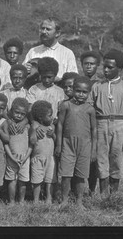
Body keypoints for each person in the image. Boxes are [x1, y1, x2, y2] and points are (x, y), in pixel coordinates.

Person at [88, 49, 123, 196]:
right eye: (104, 66)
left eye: (110, 67)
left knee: (117, 159)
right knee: (101, 159)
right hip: (101, 125)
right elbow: (90, 109)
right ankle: (103, 195)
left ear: (120, 69)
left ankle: (113, 195)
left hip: (120, 126)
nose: (106, 70)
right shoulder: (97, 86)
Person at [55, 76, 97, 206]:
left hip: (85, 145)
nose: (81, 94)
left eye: (85, 92)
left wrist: (93, 149)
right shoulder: (66, 105)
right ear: (73, 90)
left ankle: (79, 201)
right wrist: (59, 144)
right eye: (78, 91)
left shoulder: (90, 109)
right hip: (68, 144)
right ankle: (64, 200)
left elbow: (94, 129)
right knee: (66, 174)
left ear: (89, 93)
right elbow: (60, 125)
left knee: (80, 175)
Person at [23, 17, 78, 82]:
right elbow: (22, 75)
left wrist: (57, 80)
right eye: (42, 28)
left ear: (57, 33)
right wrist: (24, 69)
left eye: (48, 29)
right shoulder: (33, 51)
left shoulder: (67, 53)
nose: (44, 32)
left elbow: (73, 78)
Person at [79, 50, 102, 195]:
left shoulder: (101, 84)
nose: (88, 67)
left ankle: (92, 190)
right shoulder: (78, 82)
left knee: (94, 160)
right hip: (80, 124)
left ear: (97, 66)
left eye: (92, 64)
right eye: (86, 64)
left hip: (95, 125)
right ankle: (78, 190)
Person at [3, 97, 32, 206]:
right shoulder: (7, 124)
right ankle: (11, 201)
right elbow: (6, 143)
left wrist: (25, 157)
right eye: (17, 112)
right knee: (12, 180)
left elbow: (31, 145)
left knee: (23, 181)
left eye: (22, 114)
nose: (19, 115)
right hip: (12, 158)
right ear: (11, 111)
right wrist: (11, 157)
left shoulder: (27, 126)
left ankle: (21, 200)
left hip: (24, 159)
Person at [29, 100, 57, 204]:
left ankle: (48, 198)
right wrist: (35, 131)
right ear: (41, 117)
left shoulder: (51, 127)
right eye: (49, 115)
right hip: (38, 158)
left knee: (50, 179)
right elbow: (32, 140)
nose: (52, 117)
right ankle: (36, 199)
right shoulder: (35, 126)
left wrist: (53, 134)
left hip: (50, 158)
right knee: (37, 180)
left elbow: (55, 140)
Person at [26, 57, 66, 123]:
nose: (46, 80)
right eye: (44, 77)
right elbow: (30, 109)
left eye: (49, 77)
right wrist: (34, 122)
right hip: (36, 123)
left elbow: (60, 111)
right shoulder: (34, 89)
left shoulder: (59, 91)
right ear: (40, 75)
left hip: (52, 124)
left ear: (55, 75)